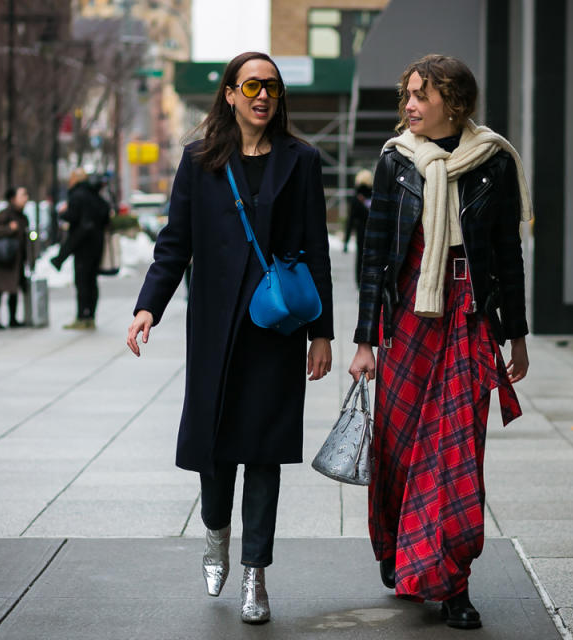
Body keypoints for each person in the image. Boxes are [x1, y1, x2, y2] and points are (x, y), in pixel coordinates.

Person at [126, 51, 333, 625]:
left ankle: (254, 575)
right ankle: (215, 534)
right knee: (214, 450)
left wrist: (323, 335)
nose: (263, 95)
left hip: (276, 328)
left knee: (264, 455)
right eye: (251, 85)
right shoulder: (200, 161)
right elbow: (176, 242)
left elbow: (316, 249)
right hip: (216, 328)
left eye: (271, 86)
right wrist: (149, 306)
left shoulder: (303, 160)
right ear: (230, 95)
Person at [348, 54, 532, 630]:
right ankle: (397, 548)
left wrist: (517, 336)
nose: (409, 106)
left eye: (420, 96)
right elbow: (374, 255)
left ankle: (452, 582)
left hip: (469, 319)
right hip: (407, 319)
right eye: (407, 95)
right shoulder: (395, 160)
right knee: (399, 448)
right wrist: (363, 341)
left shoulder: (493, 162)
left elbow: (508, 255)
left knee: (457, 452)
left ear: (453, 102)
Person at [51, 168, 110, 329]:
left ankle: (82, 317)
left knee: (82, 281)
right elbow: (106, 214)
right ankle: (90, 316)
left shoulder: (77, 195)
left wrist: (63, 213)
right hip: (97, 244)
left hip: (83, 245)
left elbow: (73, 216)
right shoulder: (95, 195)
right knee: (92, 281)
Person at [0, 187, 31, 330]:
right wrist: (9, 229)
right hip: (3, 260)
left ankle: (12, 319)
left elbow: (27, 237)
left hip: (16, 260)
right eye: (22, 195)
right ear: (13, 199)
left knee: (13, 290)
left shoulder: (22, 216)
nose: (26, 198)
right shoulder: (5, 214)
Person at [343, 168, 373, 286]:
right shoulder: (374, 194)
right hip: (372, 231)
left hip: (361, 231)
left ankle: (359, 281)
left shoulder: (356, 198)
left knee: (360, 256)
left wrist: (346, 240)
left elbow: (351, 220)